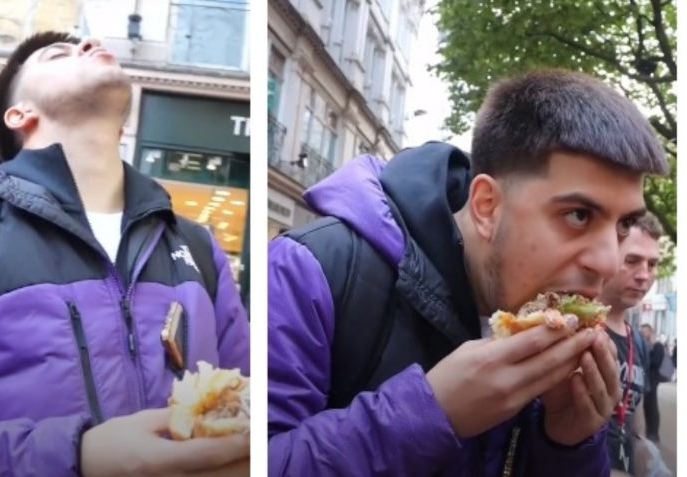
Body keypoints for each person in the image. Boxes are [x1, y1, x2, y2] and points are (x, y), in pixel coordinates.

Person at [0, 32, 250, 477]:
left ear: (122, 127)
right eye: (57, 54)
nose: (89, 43)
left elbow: (251, 403)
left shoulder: (198, 246)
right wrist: (78, 457)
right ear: (20, 114)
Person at [268, 69, 668, 475]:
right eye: (579, 215)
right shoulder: (309, 269)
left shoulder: (553, 324)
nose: (607, 262)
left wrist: (567, 443)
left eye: (621, 227)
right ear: (487, 207)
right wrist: (429, 414)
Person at [599, 212, 663, 475]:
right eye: (632, 261)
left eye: (652, 264)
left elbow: (634, 413)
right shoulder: (576, 329)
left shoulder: (638, 340)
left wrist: (642, 447)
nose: (644, 275)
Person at [640, 323, 665, 443]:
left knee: (652, 405)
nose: (643, 334)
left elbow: (656, 362)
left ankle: (653, 433)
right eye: (642, 332)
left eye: (645, 332)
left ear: (650, 332)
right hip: (646, 378)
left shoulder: (657, 346)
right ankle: (648, 431)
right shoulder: (645, 345)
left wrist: (647, 353)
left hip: (653, 379)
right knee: (645, 405)